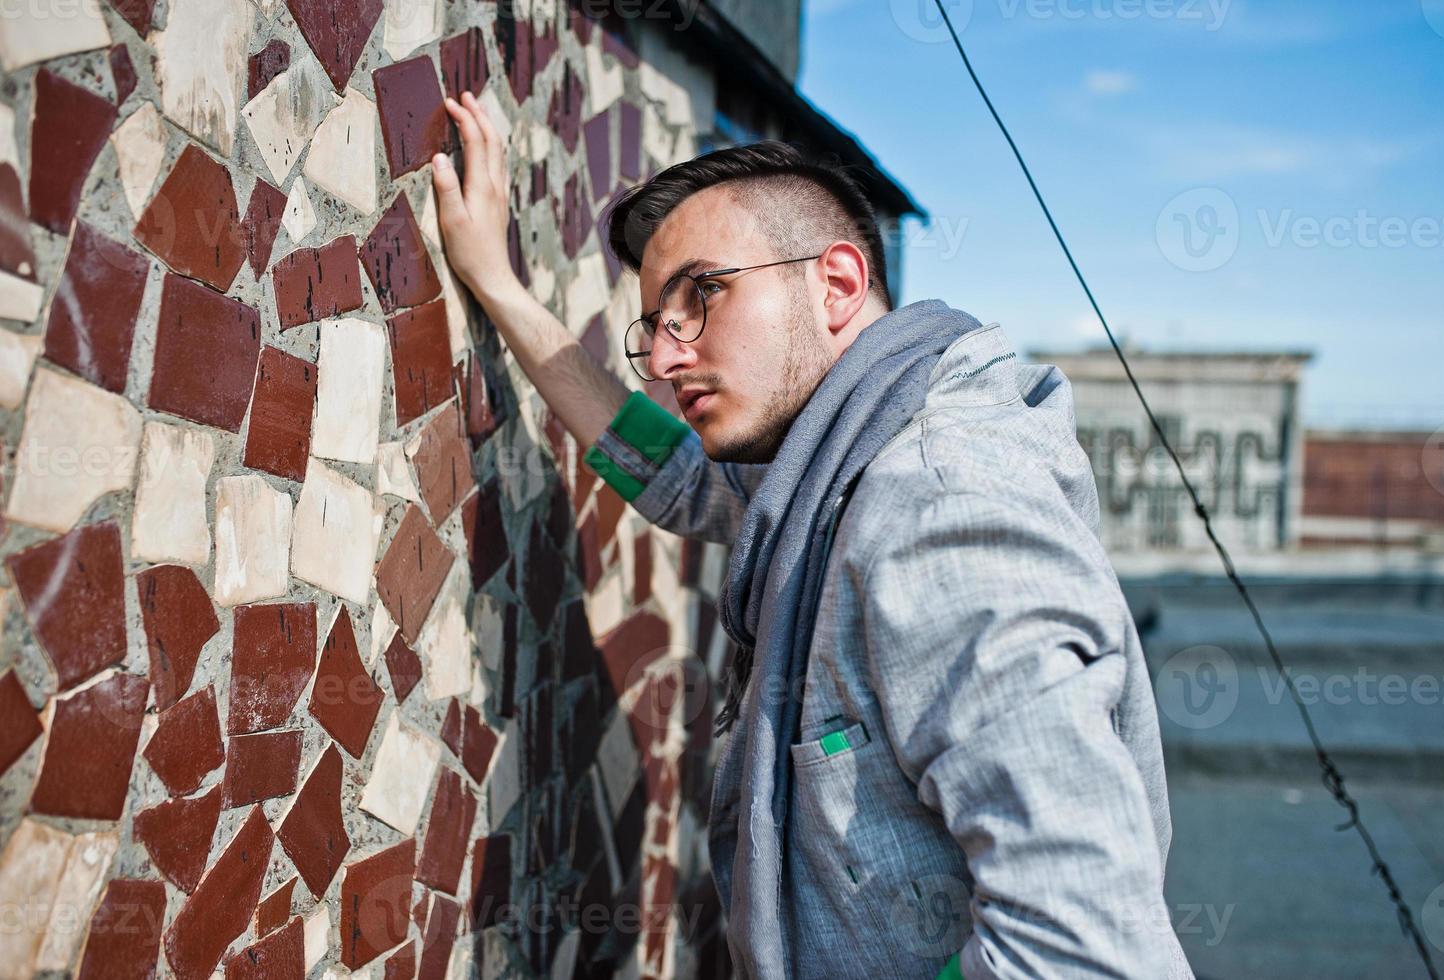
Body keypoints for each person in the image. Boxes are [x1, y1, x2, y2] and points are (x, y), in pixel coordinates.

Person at [431, 91, 1194, 979]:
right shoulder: (836, 471)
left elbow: (1083, 952)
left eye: (703, 296)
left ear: (834, 284)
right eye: (657, 326)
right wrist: (497, 285)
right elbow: (679, 480)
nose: (670, 356)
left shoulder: (935, 508)